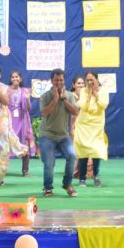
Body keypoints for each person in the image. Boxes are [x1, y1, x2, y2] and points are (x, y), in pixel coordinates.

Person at [39, 69, 79, 198]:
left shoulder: (70, 95)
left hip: (63, 136)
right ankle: (48, 187)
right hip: (47, 135)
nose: (59, 82)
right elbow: (44, 113)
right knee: (49, 162)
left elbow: (75, 112)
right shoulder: (45, 96)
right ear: (51, 81)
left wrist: (64, 100)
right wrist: (56, 99)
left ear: (64, 80)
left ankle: (67, 184)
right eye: (56, 80)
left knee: (72, 155)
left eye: (61, 80)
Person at [74, 71, 109, 187]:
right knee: (83, 152)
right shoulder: (83, 91)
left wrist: (96, 94)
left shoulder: (103, 91)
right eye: (87, 80)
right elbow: (82, 106)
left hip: (97, 125)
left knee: (96, 151)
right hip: (83, 125)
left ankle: (96, 176)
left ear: (96, 79)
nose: (89, 82)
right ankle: (82, 178)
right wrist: (89, 95)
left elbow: (104, 105)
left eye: (91, 80)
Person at [8, 70, 36, 177]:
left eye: (17, 77)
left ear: (20, 79)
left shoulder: (25, 91)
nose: (15, 79)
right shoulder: (6, 90)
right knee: (5, 144)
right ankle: (0, 170)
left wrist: (28, 99)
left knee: (25, 143)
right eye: (13, 77)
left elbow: (29, 108)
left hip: (23, 121)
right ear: (11, 79)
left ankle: (25, 170)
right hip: (9, 121)